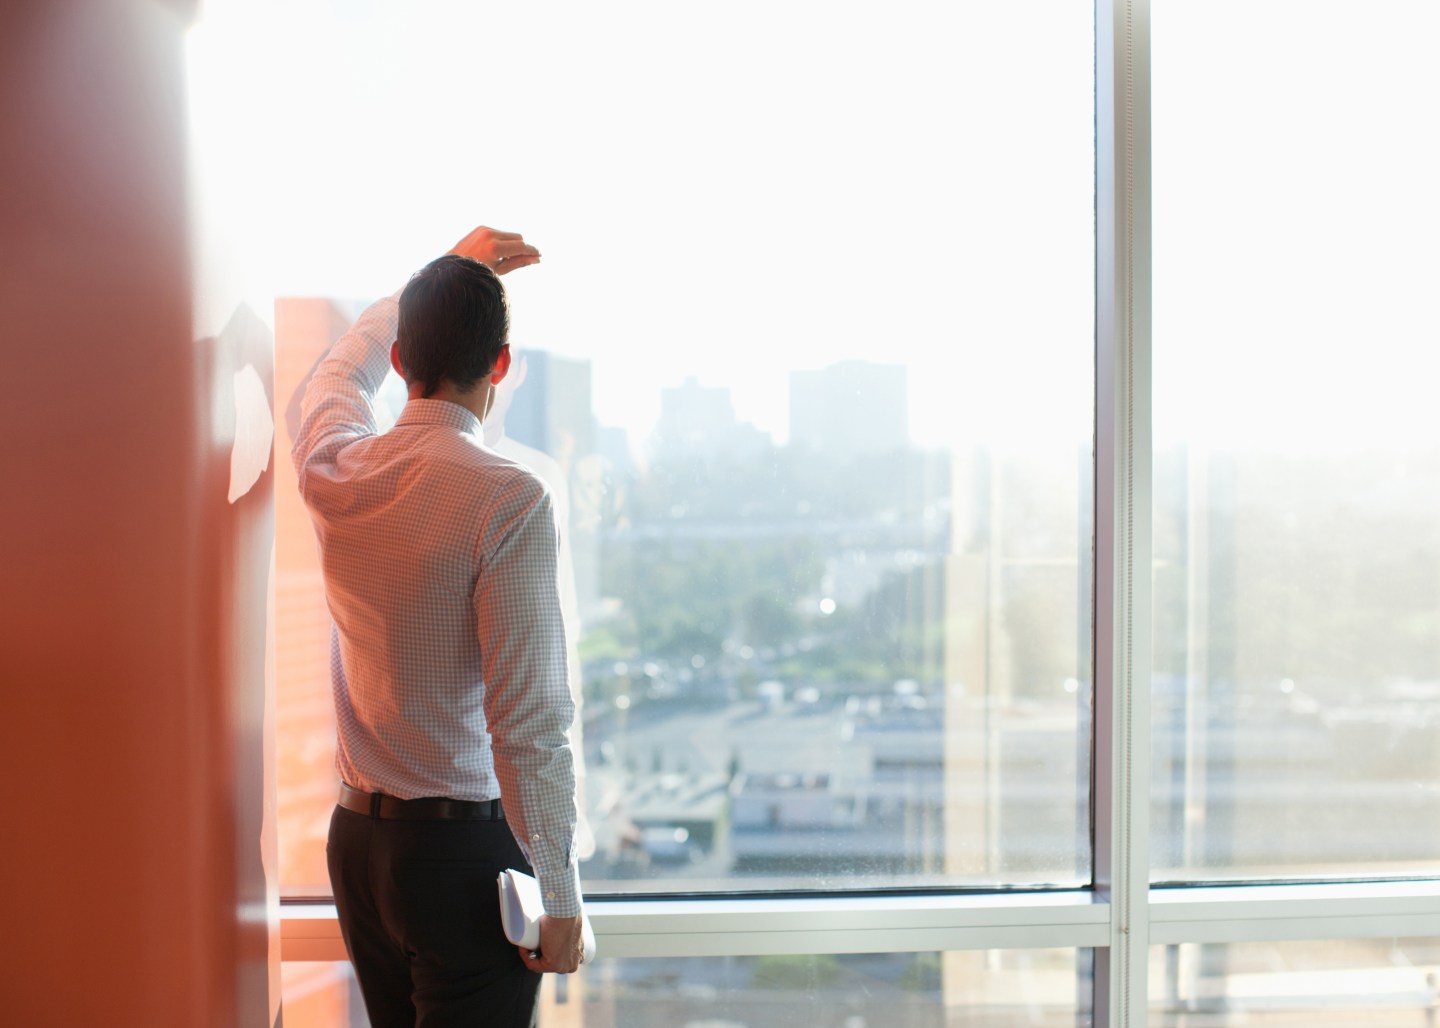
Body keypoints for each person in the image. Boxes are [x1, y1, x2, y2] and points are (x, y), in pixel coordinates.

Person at [292, 226, 584, 1027]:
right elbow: (528, 722)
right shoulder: (508, 498)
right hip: (461, 862)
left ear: (400, 360)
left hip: (358, 848)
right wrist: (561, 897)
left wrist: (445, 273)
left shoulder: (334, 466)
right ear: (501, 363)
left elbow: (335, 374)